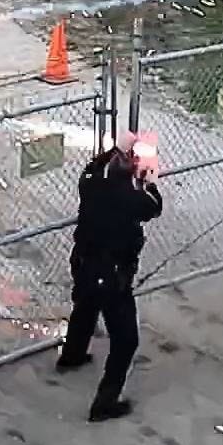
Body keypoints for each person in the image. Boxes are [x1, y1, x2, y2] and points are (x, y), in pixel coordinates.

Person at [56, 130, 163, 422]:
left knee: (85, 307)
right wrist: (149, 181)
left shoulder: (91, 180)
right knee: (126, 339)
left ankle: (72, 356)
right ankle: (105, 403)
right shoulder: (130, 198)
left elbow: (94, 167)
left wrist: (115, 151)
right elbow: (155, 207)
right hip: (112, 274)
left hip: (83, 261)